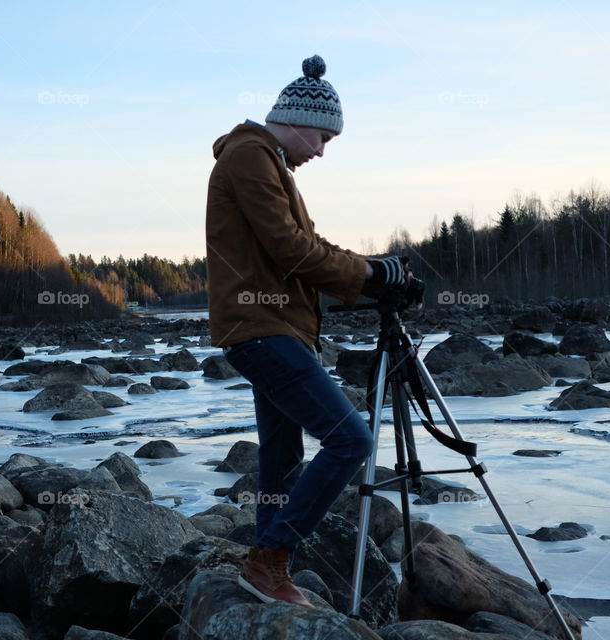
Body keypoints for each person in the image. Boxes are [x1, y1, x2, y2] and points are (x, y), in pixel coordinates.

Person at [205, 55, 412, 608]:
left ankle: (267, 566)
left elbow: (311, 246)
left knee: (281, 454)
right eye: (322, 137)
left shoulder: (269, 163)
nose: (321, 151)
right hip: (260, 327)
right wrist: (369, 274)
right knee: (351, 439)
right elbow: (291, 250)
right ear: (295, 120)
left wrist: (371, 268)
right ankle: (270, 557)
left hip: (272, 327)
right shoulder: (252, 157)